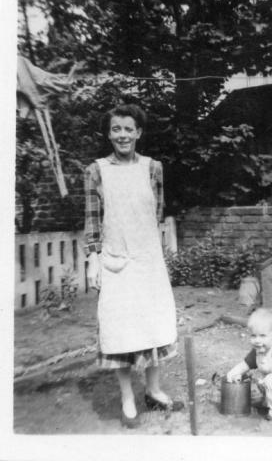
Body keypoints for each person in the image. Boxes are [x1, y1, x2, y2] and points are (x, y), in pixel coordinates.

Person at [84, 104, 182, 428]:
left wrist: (155, 254)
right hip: (116, 262)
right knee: (120, 329)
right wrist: (93, 260)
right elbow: (93, 222)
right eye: (116, 129)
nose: (122, 135)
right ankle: (128, 397)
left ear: (139, 132)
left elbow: (156, 216)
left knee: (155, 323)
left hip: (148, 260)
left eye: (129, 129)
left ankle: (153, 390)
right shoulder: (96, 171)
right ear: (108, 133)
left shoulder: (154, 168)